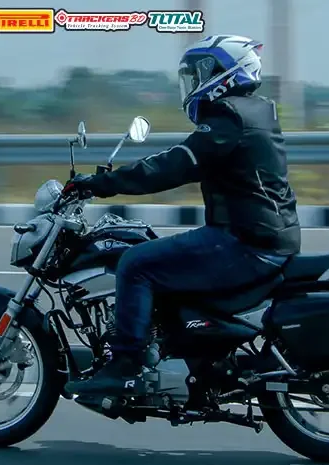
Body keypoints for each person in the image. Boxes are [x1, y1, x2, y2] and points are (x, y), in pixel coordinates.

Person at [62, 34, 301, 397]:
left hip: (244, 242)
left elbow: (175, 165)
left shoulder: (229, 117)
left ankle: (125, 366)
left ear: (227, 72)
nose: (194, 81)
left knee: (135, 263)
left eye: (201, 71)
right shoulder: (257, 110)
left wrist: (103, 183)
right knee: (163, 260)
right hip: (263, 236)